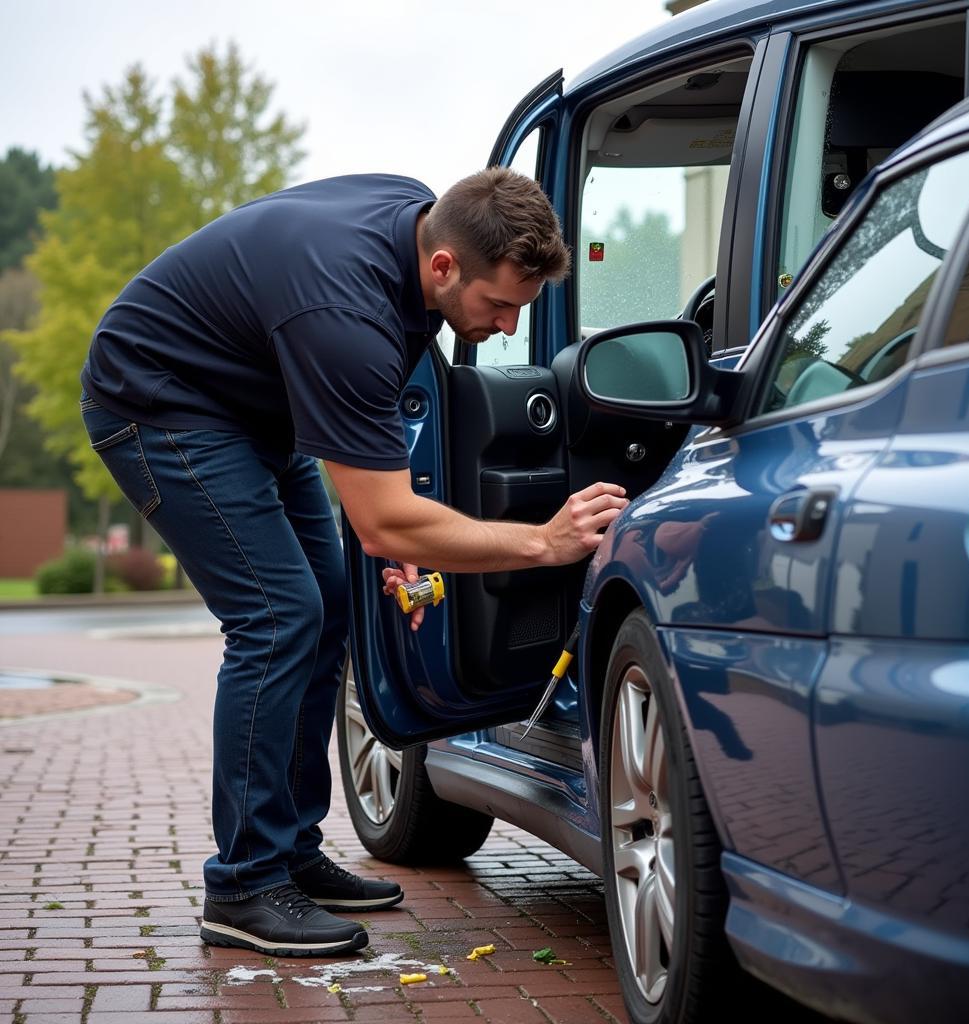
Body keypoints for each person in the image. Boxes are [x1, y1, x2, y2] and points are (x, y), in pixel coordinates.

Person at [80, 167, 627, 958]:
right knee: (276, 619)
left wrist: (402, 533)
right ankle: (242, 883)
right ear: (443, 267)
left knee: (327, 605)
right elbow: (383, 520)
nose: (509, 327)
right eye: (498, 304)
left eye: (522, 306)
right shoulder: (345, 313)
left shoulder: (419, 217)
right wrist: (542, 541)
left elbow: (381, 488)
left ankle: (290, 853)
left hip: (257, 405)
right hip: (160, 402)